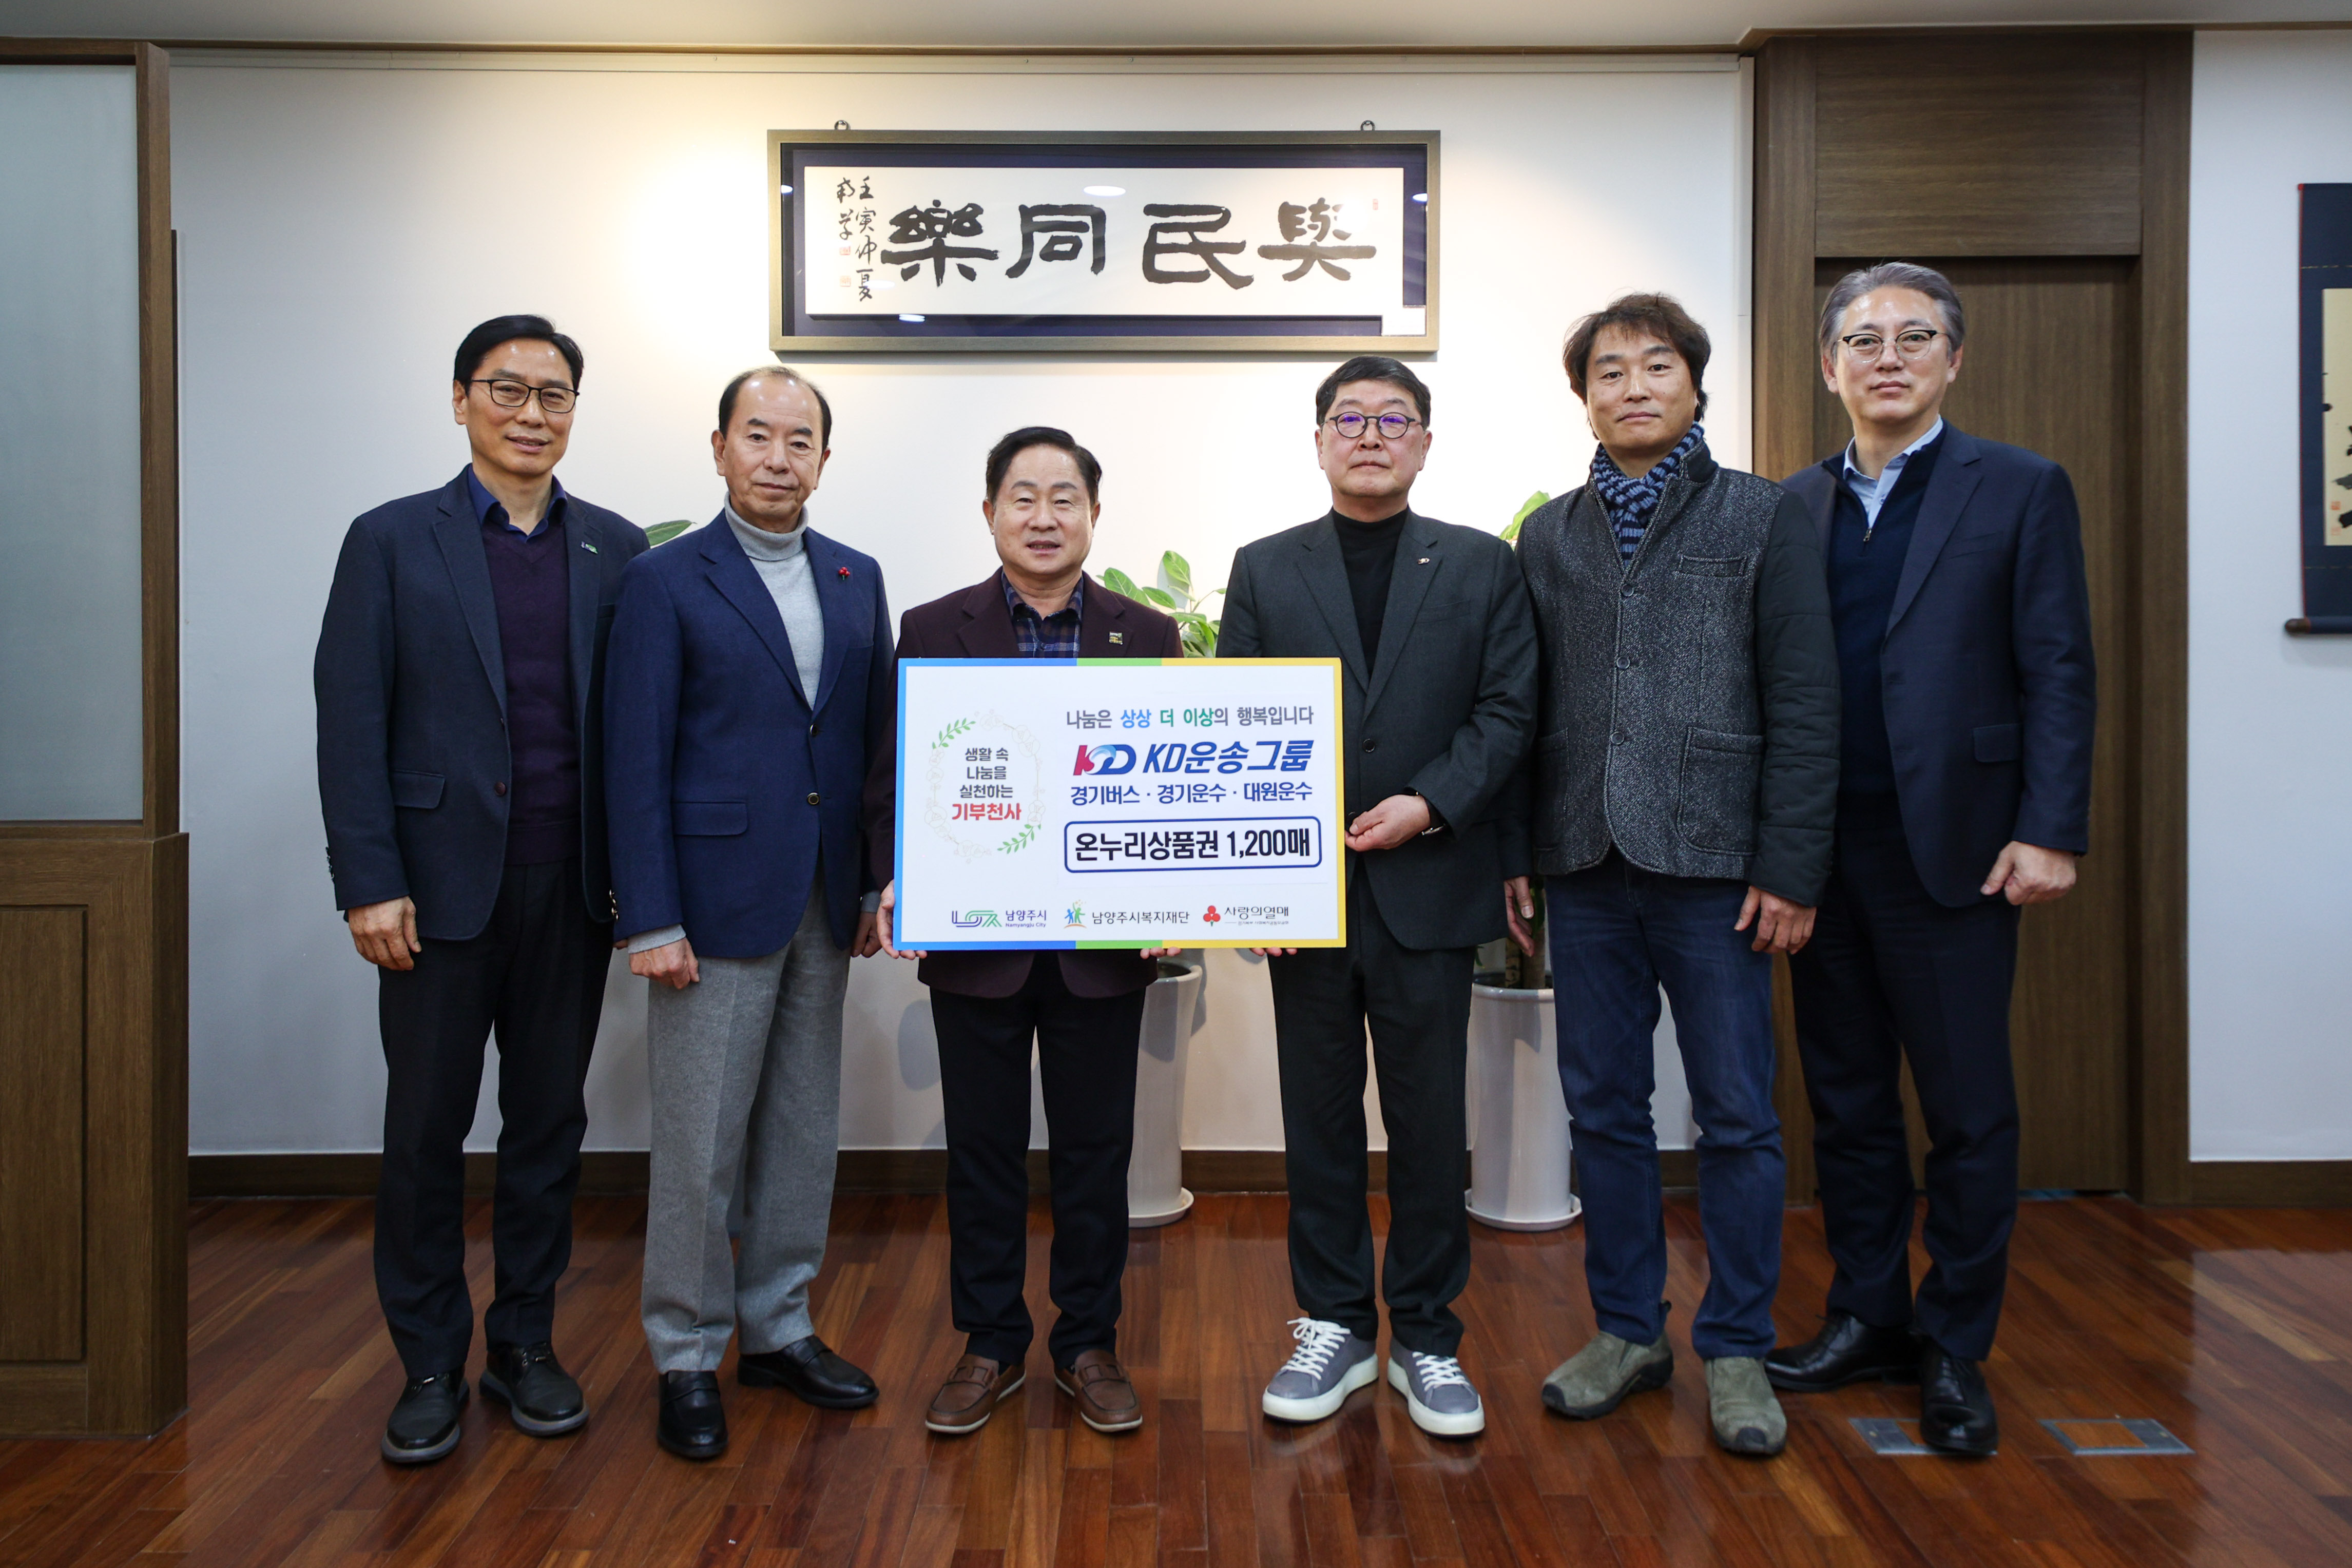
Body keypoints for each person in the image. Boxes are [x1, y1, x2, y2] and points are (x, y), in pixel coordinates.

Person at [1501, 294, 1839, 1458]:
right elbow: (1522, 705)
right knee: (1603, 1108)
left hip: (1717, 864)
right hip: (1583, 861)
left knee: (1736, 1113)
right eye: (1609, 371)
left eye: (1655, 367)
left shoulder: (1762, 514)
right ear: (1583, 397)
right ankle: (1627, 1331)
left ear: (1695, 387)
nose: (1632, 386)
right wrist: (1516, 850)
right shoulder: (1546, 535)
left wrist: (1789, 865)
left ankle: (1735, 1344)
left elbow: (1805, 700)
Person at [1766, 263, 2095, 1457]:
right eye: (1863, 341)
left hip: (1956, 850)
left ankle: (1953, 1340)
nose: (1887, 358)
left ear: (1952, 360)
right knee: (1847, 1103)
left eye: (1913, 338)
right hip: (1822, 854)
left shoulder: (2016, 487)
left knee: (1965, 1110)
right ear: (1829, 367)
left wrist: (2050, 826)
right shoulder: (1789, 506)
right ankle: (1867, 1312)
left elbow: (2057, 665)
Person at [315, 315, 647, 1463]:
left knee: (548, 1125)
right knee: (424, 1131)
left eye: (553, 395)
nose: (530, 414)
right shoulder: (390, 540)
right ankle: (426, 1361)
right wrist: (369, 880)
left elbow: (636, 726)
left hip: (573, 889)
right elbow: (350, 721)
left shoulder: (614, 549)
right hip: (436, 892)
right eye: (507, 390)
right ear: (460, 399)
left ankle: (524, 1343)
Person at [1220, 356, 1537, 1439]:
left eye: (1392, 419)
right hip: (1303, 899)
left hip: (1429, 885)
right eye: (1348, 418)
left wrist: (1429, 803)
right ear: (1317, 441)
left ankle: (1429, 1336)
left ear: (1424, 443)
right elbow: (1234, 727)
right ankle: (1334, 1325)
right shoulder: (1265, 568)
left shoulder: (1481, 564)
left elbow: (1507, 710)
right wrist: (1254, 890)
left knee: (1428, 1122)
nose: (1369, 435)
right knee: (1315, 1122)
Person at [867, 428, 1185, 1437]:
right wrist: (896, 875)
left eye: (1064, 498)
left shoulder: (1148, 634)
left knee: (1096, 1153)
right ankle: (990, 1343)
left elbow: (1170, 784)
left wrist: (1176, 900)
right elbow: (896, 772)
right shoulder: (932, 627)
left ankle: (1087, 1344)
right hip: (977, 945)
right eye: (1022, 497)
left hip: (1101, 950)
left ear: (1093, 513)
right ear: (990, 512)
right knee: (983, 1153)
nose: (1043, 518)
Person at [604, 366, 894, 1461]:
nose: (778, 457)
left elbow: (872, 747)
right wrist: (649, 916)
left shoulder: (856, 576)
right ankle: (685, 1350)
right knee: (700, 1140)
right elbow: (634, 757)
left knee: (801, 1129)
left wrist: (871, 881)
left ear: (825, 457)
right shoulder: (664, 579)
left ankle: (777, 1328)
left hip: (821, 896)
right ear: (719, 447)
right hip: (709, 902)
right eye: (757, 435)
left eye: (799, 439)